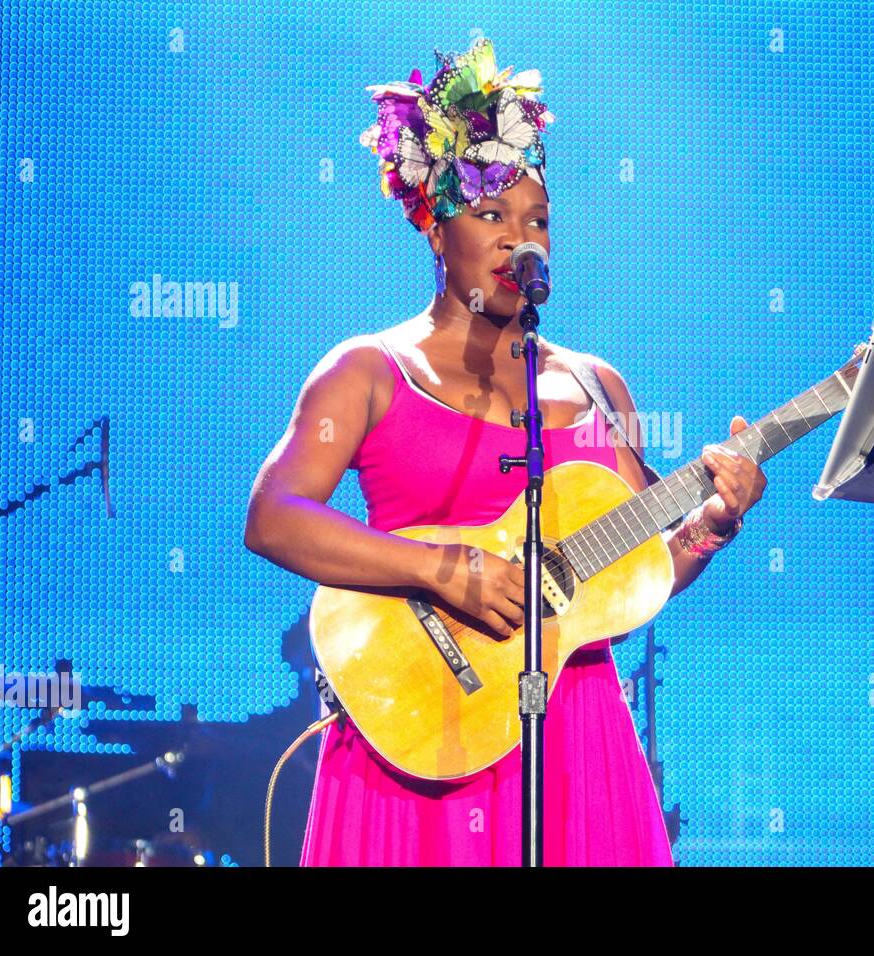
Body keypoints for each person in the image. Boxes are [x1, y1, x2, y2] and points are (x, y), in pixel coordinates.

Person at [243, 38, 766, 866]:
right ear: (434, 228)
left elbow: (638, 570)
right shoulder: (370, 371)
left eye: (537, 220)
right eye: (490, 216)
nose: (518, 238)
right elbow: (273, 518)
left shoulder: (597, 388)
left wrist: (709, 523)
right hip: (419, 721)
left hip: (575, 729)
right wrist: (442, 569)